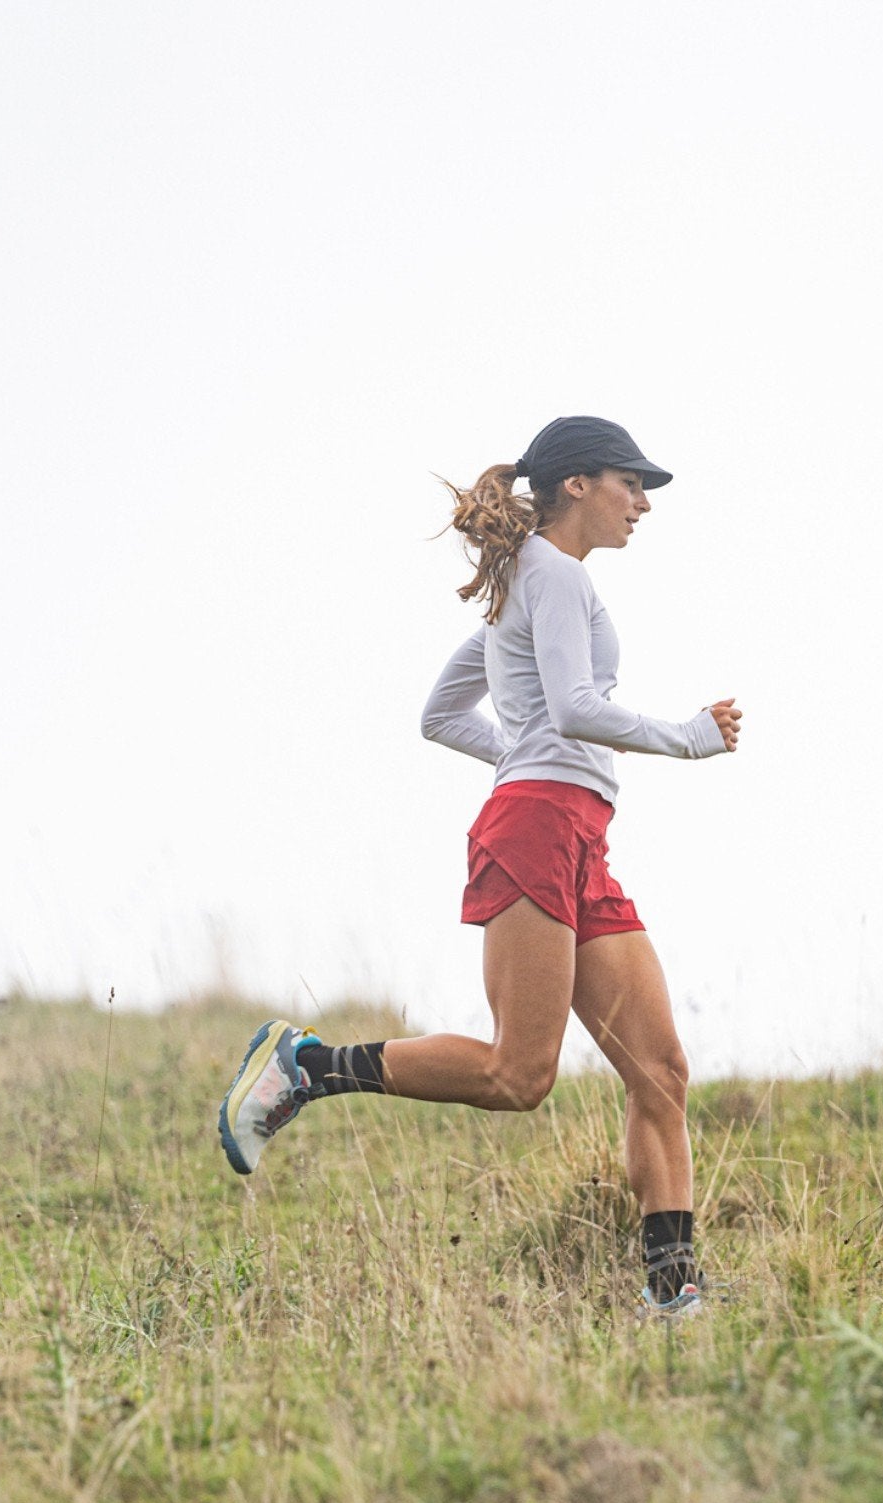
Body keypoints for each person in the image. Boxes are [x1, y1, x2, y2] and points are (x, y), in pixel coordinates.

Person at [218, 415, 741, 1315]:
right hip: (537, 831)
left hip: (573, 832)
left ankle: (671, 1290)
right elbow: (574, 707)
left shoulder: (525, 582)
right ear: (577, 484)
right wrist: (685, 739)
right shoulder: (556, 577)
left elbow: (442, 715)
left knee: (660, 1072)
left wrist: (525, 754)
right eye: (631, 483)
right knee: (518, 1076)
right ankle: (307, 1066)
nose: (643, 503)